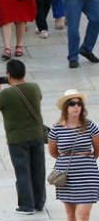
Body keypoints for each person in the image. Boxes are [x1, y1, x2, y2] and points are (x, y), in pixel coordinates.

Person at [0, 59, 47, 214]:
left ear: (9, 75)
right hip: (37, 135)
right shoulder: (34, 88)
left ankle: (26, 205)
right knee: (38, 169)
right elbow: (39, 97)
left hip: (17, 139)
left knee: (23, 171)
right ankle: (39, 202)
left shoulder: (6, 94)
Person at [48, 90, 99, 219]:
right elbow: (53, 152)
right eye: (72, 103)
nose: (76, 106)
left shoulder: (89, 126)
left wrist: (87, 160)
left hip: (87, 175)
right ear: (66, 107)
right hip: (66, 176)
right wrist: (67, 160)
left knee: (83, 215)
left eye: (79, 103)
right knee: (71, 215)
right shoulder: (56, 129)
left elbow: (98, 148)